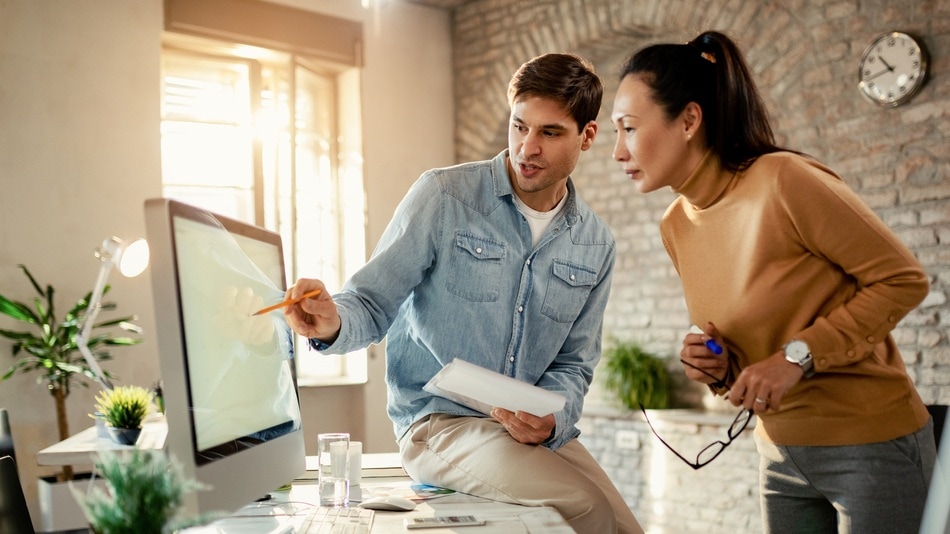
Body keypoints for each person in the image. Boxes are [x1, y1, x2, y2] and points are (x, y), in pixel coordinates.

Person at [285, 53, 643, 534]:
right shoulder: (443, 197)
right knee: (584, 508)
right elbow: (370, 302)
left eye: (549, 133)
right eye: (519, 126)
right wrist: (330, 322)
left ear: (588, 135)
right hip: (440, 425)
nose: (526, 148)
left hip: (532, 438)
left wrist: (552, 421)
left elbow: (574, 364)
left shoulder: (596, 242)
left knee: (626, 529)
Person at [610, 30, 937, 533]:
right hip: (778, 455)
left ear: (690, 120)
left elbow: (902, 280)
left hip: (870, 446)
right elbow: (752, 351)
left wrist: (796, 357)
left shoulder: (783, 180)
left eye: (629, 128)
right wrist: (714, 366)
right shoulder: (675, 225)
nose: (617, 151)